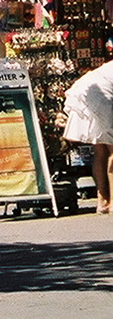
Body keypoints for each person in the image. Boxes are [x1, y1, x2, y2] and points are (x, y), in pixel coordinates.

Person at [63, 60, 113, 213]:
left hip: (84, 90)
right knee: (112, 150)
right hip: (100, 94)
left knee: (100, 150)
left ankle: (102, 201)